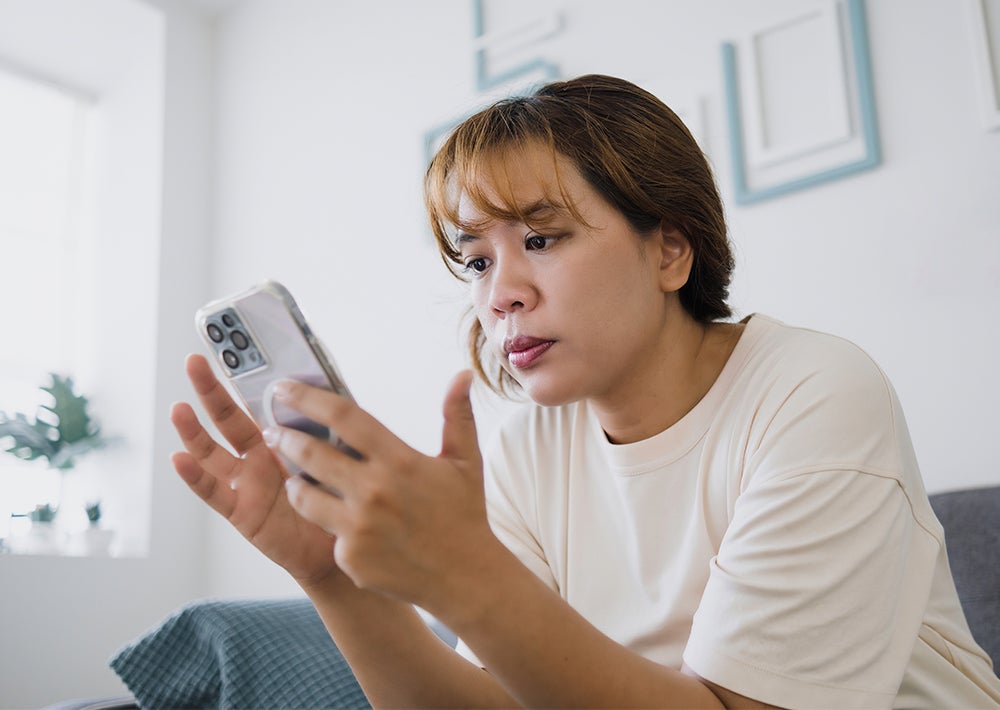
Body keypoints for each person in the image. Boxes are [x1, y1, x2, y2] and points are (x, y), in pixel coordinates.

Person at [170, 74, 1000, 708]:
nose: (502, 293)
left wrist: (463, 575)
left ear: (670, 251)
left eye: (541, 236)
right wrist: (336, 581)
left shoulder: (813, 391)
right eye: (478, 259)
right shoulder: (528, 449)